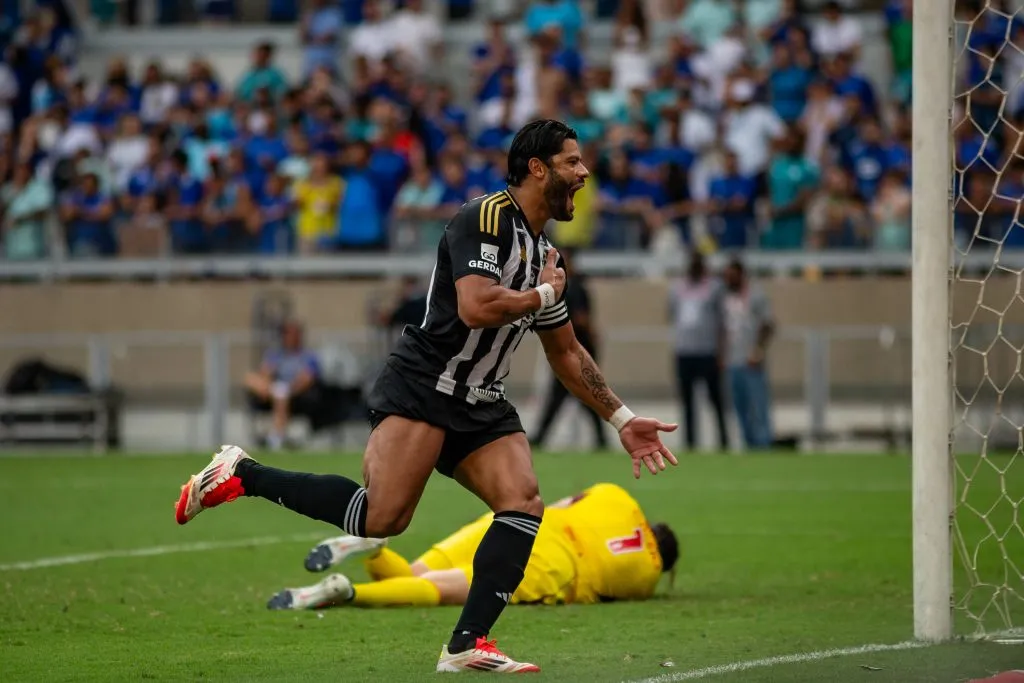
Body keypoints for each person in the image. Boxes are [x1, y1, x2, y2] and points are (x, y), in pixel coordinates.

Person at [173, 119, 678, 674]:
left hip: (481, 397)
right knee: (381, 518)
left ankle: (466, 643)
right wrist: (540, 295)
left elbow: (566, 352)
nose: (584, 173)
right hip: (426, 383)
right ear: (538, 168)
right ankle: (243, 472)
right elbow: (476, 307)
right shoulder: (484, 218)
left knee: (523, 501)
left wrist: (621, 418)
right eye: (572, 162)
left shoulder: (543, 253)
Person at [266, 483, 678, 610]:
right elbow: (607, 592)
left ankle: (372, 547)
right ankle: (348, 593)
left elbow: (564, 502)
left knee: (413, 574)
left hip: (525, 524)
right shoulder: (647, 575)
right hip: (555, 564)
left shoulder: (616, 495)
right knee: (442, 589)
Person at [530, 247, 608, 450]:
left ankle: (541, 436)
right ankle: (601, 439)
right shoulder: (570, 287)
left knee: (572, 397)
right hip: (572, 348)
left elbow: (582, 318)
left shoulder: (572, 288)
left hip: (574, 349)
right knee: (581, 397)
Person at [669, 251, 728, 451]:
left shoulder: (714, 288)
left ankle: (723, 441)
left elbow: (721, 321)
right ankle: (690, 442)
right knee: (687, 401)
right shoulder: (678, 288)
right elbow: (672, 314)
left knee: (715, 399)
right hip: (685, 351)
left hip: (707, 351)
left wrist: (721, 351)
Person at [244, 320, 322, 451]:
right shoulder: (276, 354)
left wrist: (289, 389)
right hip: (273, 390)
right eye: (287, 334)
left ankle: (277, 437)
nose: (290, 337)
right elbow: (265, 372)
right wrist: (268, 383)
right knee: (250, 378)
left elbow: (307, 378)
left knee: (281, 394)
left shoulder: (307, 356)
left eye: (294, 334)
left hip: (296, 395)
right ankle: (273, 393)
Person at [722, 258, 775, 450]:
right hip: (732, 359)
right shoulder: (725, 298)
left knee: (758, 405)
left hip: (751, 359)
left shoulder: (755, 295)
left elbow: (768, 324)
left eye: (732, 276)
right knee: (740, 406)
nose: (728, 280)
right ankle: (748, 443)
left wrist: (758, 350)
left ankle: (763, 443)